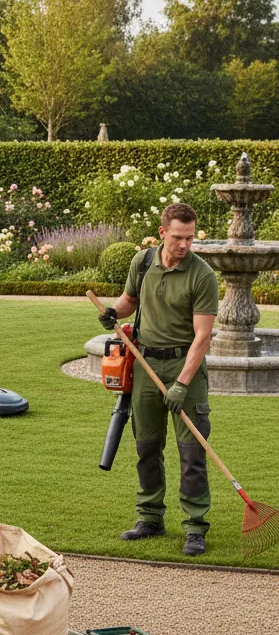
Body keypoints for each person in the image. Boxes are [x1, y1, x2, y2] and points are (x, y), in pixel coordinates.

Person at [97, 202, 219, 556]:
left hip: (186, 368)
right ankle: (149, 517)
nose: (184, 245)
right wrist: (112, 313)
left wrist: (182, 383)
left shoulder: (202, 275)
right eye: (178, 237)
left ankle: (195, 526)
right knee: (147, 445)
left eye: (190, 238)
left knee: (191, 450)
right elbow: (128, 301)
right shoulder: (143, 262)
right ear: (162, 232)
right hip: (145, 365)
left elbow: (202, 337)